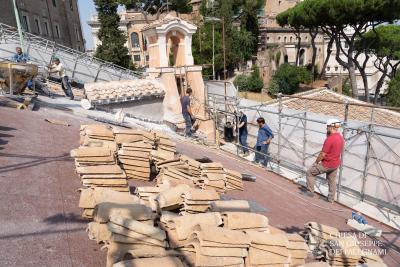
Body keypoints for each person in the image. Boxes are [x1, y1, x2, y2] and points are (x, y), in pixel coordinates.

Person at [303, 118, 344, 203]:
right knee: (332, 181)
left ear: (331, 127)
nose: (326, 128)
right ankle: (330, 199)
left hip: (327, 164)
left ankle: (310, 192)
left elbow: (322, 154)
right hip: (335, 164)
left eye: (327, 127)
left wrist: (316, 162)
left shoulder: (330, 139)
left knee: (310, 173)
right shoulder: (340, 138)